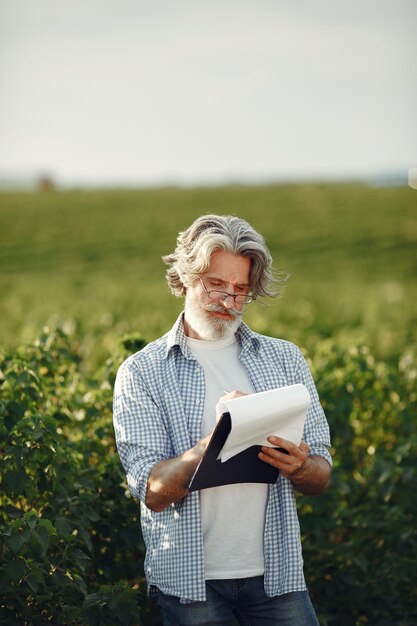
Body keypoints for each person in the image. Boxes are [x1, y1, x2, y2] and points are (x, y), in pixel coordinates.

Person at [113, 214, 332, 625]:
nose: (229, 300)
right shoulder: (142, 372)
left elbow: (321, 475)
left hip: (277, 578)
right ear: (185, 277)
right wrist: (217, 438)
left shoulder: (284, 359)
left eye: (241, 289)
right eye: (216, 283)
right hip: (190, 584)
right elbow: (152, 490)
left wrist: (300, 465)